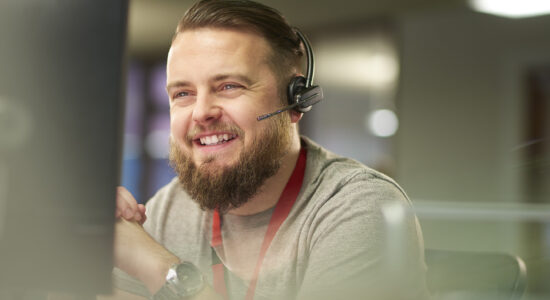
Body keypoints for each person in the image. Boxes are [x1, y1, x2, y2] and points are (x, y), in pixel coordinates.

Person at [105, 0, 429, 299]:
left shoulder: (359, 208)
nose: (201, 112)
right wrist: (77, 234)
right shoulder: (170, 209)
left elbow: (152, 267)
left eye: (229, 86)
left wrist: (160, 268)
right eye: (182, 94)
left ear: (295, 100)